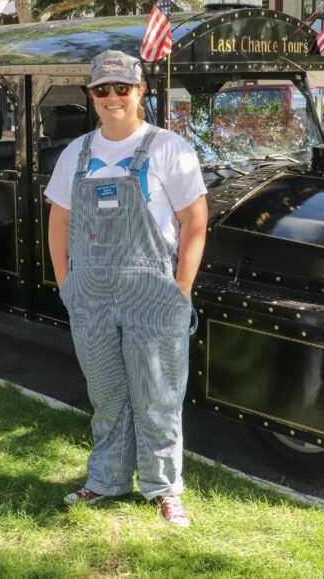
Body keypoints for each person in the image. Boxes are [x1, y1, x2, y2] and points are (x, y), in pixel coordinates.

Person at [45, 50, 208, 527]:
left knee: (157, 396)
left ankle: (164, 488)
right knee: (108, 394)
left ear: (140, 92)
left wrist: (179, 289)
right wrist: (65, 283)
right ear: (91, 96)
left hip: (154, 296)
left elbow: (195, 223)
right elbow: (59, 220)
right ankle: (107, 480)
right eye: (102, 90)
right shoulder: (76, 153)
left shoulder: (168, 148)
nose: (113, 97)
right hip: (91, 296)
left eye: (123, 88)